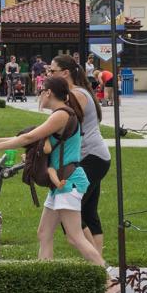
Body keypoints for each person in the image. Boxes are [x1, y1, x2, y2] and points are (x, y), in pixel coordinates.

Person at [0, 76, 109, 271]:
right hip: (59, 184)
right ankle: (44, 279)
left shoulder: (62, 115)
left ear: (48, 93)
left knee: (75, 237)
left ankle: (107, 277)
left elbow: (30, 137)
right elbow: (31, 138)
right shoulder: (60, 114)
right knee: (44, 233)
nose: (39, 95)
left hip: (68, 182)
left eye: (41, 91)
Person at [47, 54, 110, 261]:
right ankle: (97, 267)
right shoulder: (77, 93)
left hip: (89, 157)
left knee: (71, 216)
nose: (48, 74)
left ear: (65, 73)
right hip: (96, 157)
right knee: (89, 212)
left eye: (52, 71)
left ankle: (98, 267)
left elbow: (64, 125)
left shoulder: (77, 95)